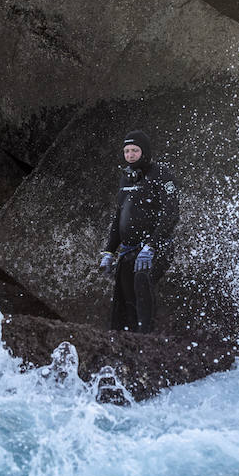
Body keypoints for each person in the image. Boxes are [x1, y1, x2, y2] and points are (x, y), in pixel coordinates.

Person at [98, 130, 179, 333]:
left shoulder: (161, 174)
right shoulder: (126, 179)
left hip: (156, 246)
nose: (130, 155)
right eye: (127, 151)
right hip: (129, 249)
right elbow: (118, 219)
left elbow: (171, 213)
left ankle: (147, 337)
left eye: (135, 150)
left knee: (141, 278)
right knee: (124, 292)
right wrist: (109, 251)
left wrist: (151, 245)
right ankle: (127, 340)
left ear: (145, 152)